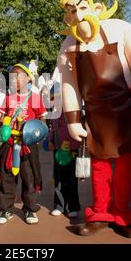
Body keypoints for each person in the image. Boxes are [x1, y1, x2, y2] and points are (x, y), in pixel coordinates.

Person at [57, 0, 131, 238]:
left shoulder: (120, 29)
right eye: (72, 11)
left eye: (82, 8)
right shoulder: (68, 45)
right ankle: (99, 214)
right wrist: (73, 119)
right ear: (67, 17)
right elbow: (68, 83)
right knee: (99, 166)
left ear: (95, 8)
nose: (79, 16)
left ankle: (121, 213)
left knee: (126, 165)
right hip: (94, 114)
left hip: (126, 110)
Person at [0, 63, 48, 225]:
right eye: (12, 77)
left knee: (29, 177)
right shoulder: (8, 97)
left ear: (28, 78)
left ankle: (29, 208)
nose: (15, 80)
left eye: (19, 76)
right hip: (8, 143)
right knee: (7, 176)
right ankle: (6, 209)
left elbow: (42, 118)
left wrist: (40, 133)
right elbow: (1, 119)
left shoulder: (35, 98)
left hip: (27, 145)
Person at [47, 84, 81, 218]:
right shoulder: (54, 114)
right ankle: (59, 205)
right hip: (58, 149)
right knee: (58, 179)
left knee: (71, 179)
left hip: (72, 149)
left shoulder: (74, 111)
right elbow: (52, 129)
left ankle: (72, 206)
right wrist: (50, 140)